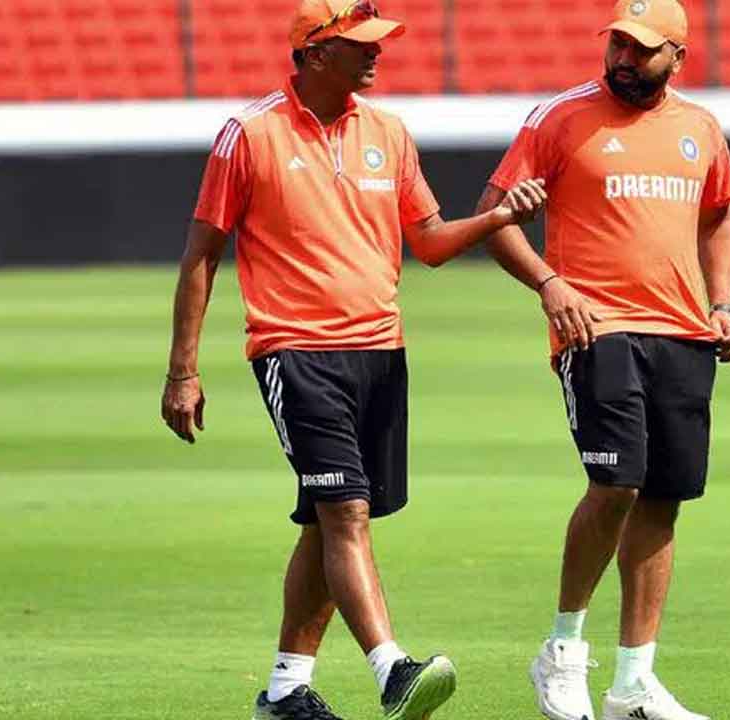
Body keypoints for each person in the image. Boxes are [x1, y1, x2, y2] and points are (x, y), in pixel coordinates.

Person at [160, 2, 547, 719]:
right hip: (295, 350)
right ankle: (392, 669)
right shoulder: (249, 134)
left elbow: (428, 241)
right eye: (360, 44)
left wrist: (498, 219)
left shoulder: (389, 132)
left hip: (381, 352)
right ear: (314, 53)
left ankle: (285, 690)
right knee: (346, 511)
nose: (376, 54)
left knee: (326, 518)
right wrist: (183, 369)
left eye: (377, 43)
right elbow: (202, 254)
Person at [476, 1, 730, 719]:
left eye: (642, 48)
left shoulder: (700, 128)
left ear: (677, 57)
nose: (624, 58)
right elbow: (495, 215)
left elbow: (719, 216)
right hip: (596, 328)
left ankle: (634, 683)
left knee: (663, 500)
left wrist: (723, 304)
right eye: (618, 44)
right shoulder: (560, 117)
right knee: (616, 484)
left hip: (683, 332)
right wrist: (550, 284)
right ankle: (562, 652)